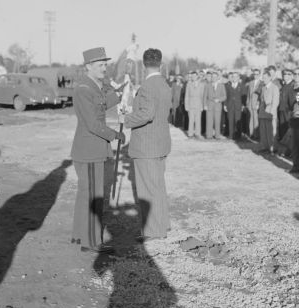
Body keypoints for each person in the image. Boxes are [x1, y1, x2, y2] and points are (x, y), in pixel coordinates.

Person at [71, 47, 125, 254]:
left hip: (90, 149)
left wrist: (119, 94)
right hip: (90, 150)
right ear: (88, 67)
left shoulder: (93, 86)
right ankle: (91, 242)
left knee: (86, 194)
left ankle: (80, 235)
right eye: (100, 65)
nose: (105, 68)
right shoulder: (84, 89)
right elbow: (94, 123)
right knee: (93, 196)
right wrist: (115, 135)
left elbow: (102, 104)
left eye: (105, 64)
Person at [123, 49, 172, 241]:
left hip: (147, 146)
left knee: (148, 189)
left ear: (144, 64)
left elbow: (146, 114)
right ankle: (162, 225)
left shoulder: (147, 86)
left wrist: (126, 118)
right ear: (160, 63)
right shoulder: (164, 84)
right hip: (160, 143)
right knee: (158, 186)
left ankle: (154, 231)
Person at [258, 68, 280, 153]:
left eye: (266, 78)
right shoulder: (263, 88)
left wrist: (272, 113)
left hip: (270, 113)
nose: (264, 80)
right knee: (263, 131)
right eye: (263, 78)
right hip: (263, 113)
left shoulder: (275, 88)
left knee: (271, 132)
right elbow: (261, 100)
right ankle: (265, 147)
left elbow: (275, 102)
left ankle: (272, 148)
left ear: (270, 78)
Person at [203, 71, 227, 139]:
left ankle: (217, 135)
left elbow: (224, 96)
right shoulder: (207, 85)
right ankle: (209, 135)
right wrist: (205, 105)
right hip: (209, 105)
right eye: (212, 77)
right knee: (209, 120)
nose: (214, 78)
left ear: (218, 78)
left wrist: (219, 99)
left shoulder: (221, 85)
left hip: (217, 105)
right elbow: (205, 96)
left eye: (215, 77)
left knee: (217, 121)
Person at [184, 70, 205, 139]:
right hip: (190, 104)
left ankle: (197, 133)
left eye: (194, 76)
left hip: (199, 104)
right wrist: (186, 106)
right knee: (191, 120)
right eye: (192, 76)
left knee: (198, 120)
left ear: (197, 76)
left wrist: (202, 105)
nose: (193, 77)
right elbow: (186, 96)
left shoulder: (202, 84)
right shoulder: (188, 84)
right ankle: (190, 134)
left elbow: (202, 96)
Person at [225, 71, 244, 140]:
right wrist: (225, 105)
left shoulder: (241, 86)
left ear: (238, 78)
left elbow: (243, 97)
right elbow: (226, 96)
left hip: (238, 106)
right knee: (230, 120)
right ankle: (231, 135)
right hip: (230, 106)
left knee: (238, 121)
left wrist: (243, 105)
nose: (234, 78)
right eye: (233, 76)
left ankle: (238, 136)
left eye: (236, 76)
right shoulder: (228, 86)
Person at [245, 68, 262, 140]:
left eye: (257, 74)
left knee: (256, 119)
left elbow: (261, 95)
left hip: (256, 104)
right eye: (254, 74)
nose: (255, 75)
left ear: (259, 75)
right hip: (250, 103)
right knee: (250, 119)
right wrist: (247, 103)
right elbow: (248, 94)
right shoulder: (251, 83)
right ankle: (251, 134)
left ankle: (256, 135)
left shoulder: (262, 83)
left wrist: (258, 103)